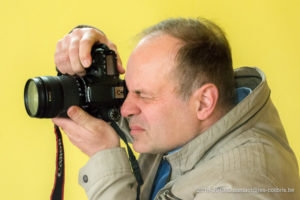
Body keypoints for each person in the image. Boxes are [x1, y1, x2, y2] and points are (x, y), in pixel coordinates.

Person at [52, 17, 300, 200]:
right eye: (127, 89)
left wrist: (103, 159)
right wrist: (88, 47)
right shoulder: (195, 119)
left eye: (142, 94)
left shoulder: (240, 188)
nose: (125, 108)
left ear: (203, 102)